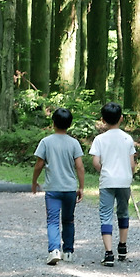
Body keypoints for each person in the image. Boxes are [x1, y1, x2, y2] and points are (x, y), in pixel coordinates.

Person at [31, 107, 85, 264]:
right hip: (69, 189)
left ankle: (54, 250)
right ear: (69, 124)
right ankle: (68, 251)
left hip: (53, 189)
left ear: (53, 123)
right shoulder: (74, 143)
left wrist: (34, 181)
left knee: (53, 220)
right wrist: (81, 187)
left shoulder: (46, 142)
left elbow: (39, 165)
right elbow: (80, 166)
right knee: (68, 220)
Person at [89, 101, 136, 266]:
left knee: (106, 214)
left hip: (107, 180)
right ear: (121, 118)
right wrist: (129, 174)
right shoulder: (127, 138)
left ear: (103, 120)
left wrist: (104, 170)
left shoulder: (100, 139)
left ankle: (109, 254)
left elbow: (96, 162)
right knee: (123, 212)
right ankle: (122, 247)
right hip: (124, 181)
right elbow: (131, 164)